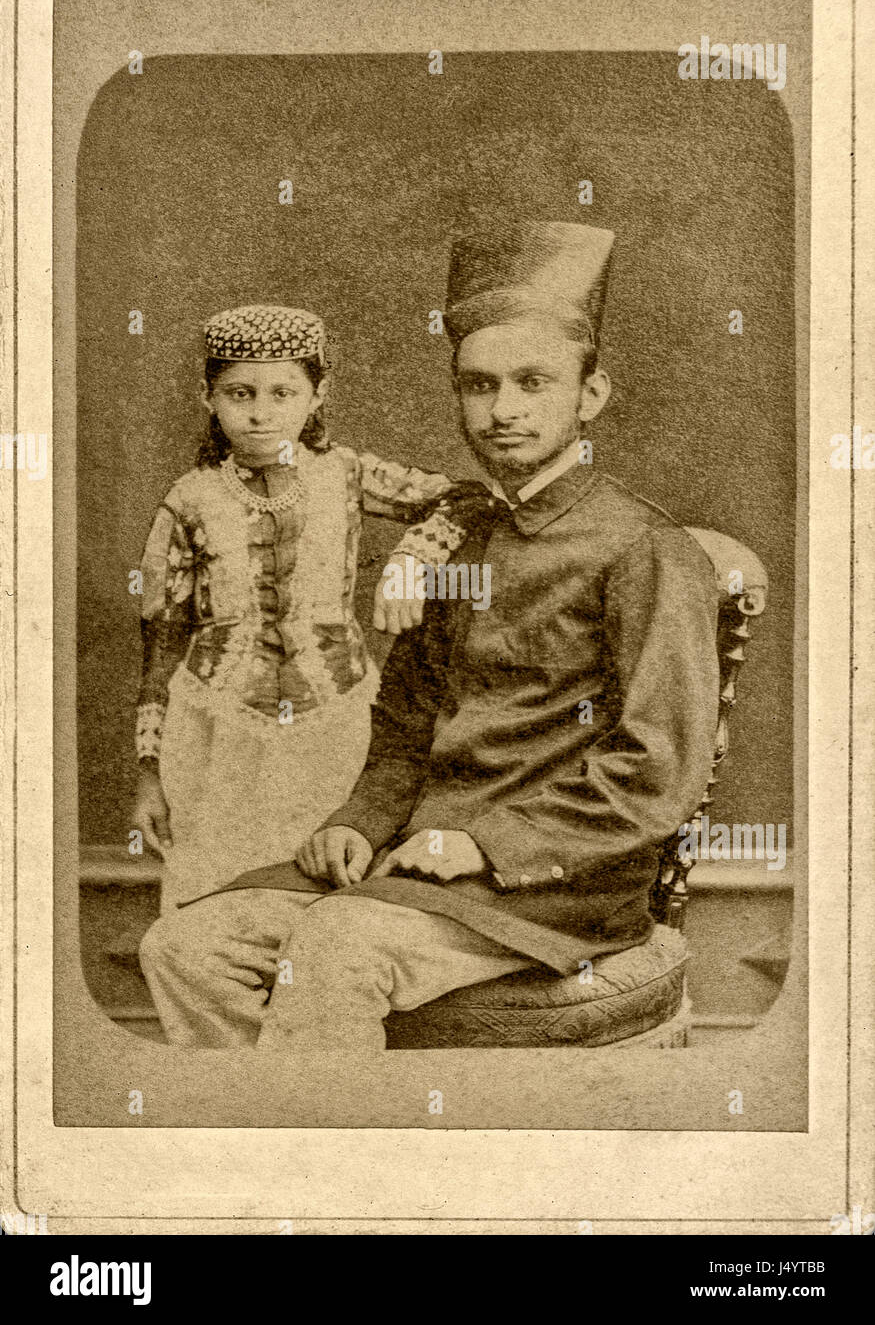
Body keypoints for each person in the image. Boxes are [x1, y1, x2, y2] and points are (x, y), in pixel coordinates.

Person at [139, 223, 720, 1049]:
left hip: (552, 886)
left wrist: (484, 845)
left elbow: (656, 766)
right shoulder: (458, 538)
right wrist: (358, 823)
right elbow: (405, 732)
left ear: (589, 396)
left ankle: (336, 1169)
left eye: (532, 382)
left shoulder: (643, 548)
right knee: (186, 947)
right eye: (479, 385)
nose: (504, 409)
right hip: (410, 865)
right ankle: (283, 1152)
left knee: (332, 950)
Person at [133, 303, 476, 910]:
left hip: (336, 719)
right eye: (240, 392)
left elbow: (470, 499)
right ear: (207, 396)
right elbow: (163, 638)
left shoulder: (345, 473)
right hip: (216, 728)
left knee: (327, 890)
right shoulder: (189, 500)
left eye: (283, 392)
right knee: (212, 895)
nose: (261, 412)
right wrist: (148, 773)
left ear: (318, 395)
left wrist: (411, 560)